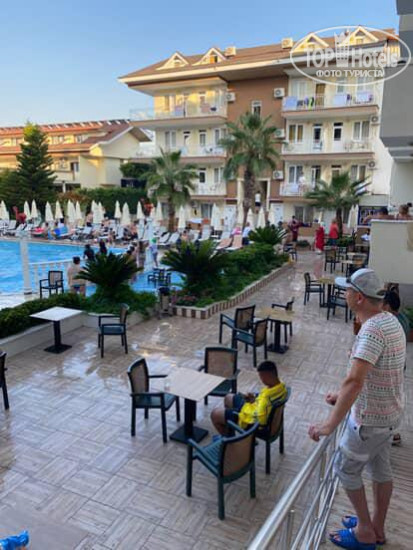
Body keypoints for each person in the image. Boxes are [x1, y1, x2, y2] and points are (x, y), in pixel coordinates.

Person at [309, 268, 406, 549]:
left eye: (348, 289)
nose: (345, 293)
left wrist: (329, 424)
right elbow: (373, 373)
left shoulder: (372, 331)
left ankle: (364, 532)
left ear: (360, 297)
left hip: (369, 421)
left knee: (345, 469)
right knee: (381, 470)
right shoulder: (389, 320)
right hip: (389, 416)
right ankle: (377, 526)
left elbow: (355, 381)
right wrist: (340, 396)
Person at [211, 360, 287, 435]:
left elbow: (260, 421)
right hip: (254, 408)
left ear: (267, 375)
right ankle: (231, 429)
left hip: (250, 422)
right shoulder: (281, 386)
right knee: (228, 397)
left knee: (215, 414)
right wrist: (254, 400)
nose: (261, 380)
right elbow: (264, 407)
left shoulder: (267, 399)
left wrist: (241, 414)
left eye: (261, 377)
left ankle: (230, 440)